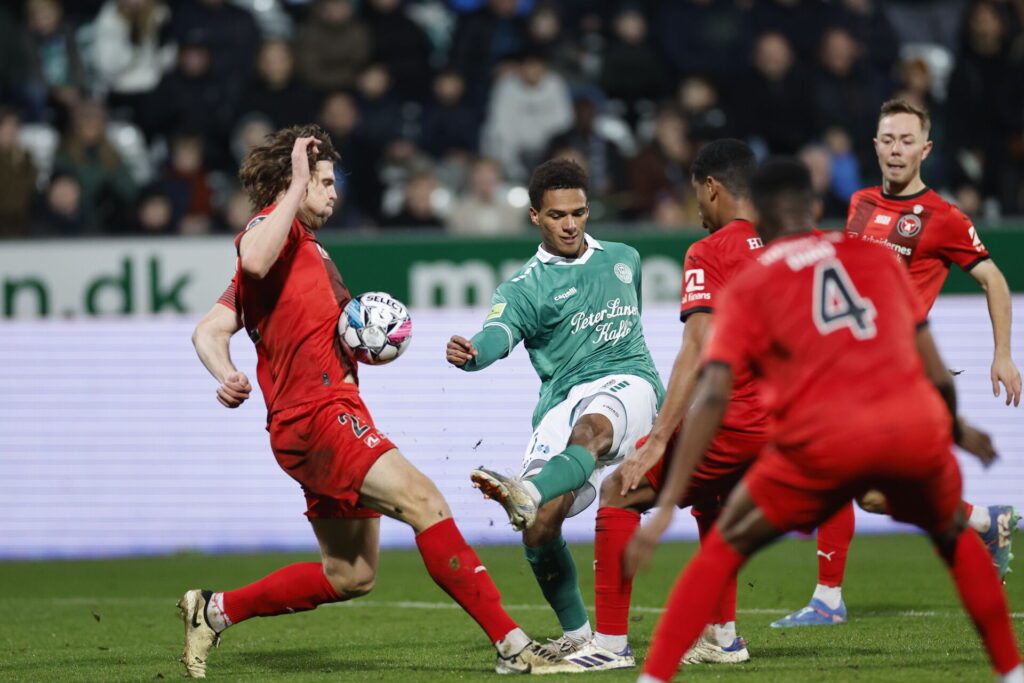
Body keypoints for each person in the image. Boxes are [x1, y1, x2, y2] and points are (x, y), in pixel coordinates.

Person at [178, 124, 569, 678]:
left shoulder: (299, 250)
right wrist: (292, 187)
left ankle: (213, 611)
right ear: (294, 183)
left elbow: (208, 331)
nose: (334, 192)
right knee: (426, 502)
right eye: (325, 182)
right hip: (318, 417)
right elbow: (254, 258)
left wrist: (227, 372)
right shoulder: (271, 235)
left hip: (311, 423)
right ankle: (514, 648)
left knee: (350, 575)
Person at [624, 158, 1022, 683]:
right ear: (813, 207)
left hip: (822, 439)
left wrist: (667, 501)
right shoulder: (873, 257)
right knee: (950, 530)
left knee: (722, 548)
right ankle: (1011, 670)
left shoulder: (751, 281)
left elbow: (715, 391)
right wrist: (955, 429)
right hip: (908, 426)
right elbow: (930, 362)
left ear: (758, 217)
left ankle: (655, 677)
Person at [773, 98, 1023, 629]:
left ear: (925, 149)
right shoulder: (860, 201)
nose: (896, 149)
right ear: (875, 145)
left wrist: (1002, 353)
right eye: (888, 139)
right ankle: (982, 518)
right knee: (872, 495)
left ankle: (827, 600)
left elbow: (995, 280)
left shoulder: (944, 217)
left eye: (907, 140)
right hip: (850, 363)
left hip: (894, 370)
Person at [446, 158, 664, 670]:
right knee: (540, 528)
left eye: (580, 213)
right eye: (558, 215)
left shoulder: (625, 257)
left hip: (628, 381)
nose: (571, 224)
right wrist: (475, 352)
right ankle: (578, 634)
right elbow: (498, 333)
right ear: (534, 218)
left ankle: (530, 488)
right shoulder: (523, 288)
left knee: (593, 428)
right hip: (560, 401)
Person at [587, 139, 763, 668]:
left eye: (697, 196)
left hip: (737, 415)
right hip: (792, 420)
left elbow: (698, 345)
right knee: (713, 499)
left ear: (711, 187)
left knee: (620, 487)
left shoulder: (710, 251)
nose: (698, 209)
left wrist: (658, 438)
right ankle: (724, 637)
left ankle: (610, 645)